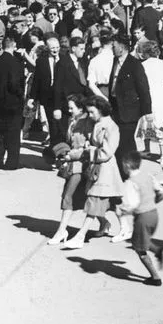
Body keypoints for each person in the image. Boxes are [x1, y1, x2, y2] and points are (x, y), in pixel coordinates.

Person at [64, 97, 125, 249]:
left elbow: (107, 152)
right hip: (96, 168)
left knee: (94, 202)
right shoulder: (97, 123)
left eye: (92, 112)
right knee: (112, 202)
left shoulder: (111, 127)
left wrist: (88, 150)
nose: (90, 115)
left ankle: (80, 236)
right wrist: (87, 145)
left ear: (101, 110)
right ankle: (124, 228)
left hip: (105, 170)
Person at [46, 93, 93, 246]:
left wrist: (71, 155)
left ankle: (62, 231)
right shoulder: (72, 121)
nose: (69, 110)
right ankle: (62, 230)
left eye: (72, 108)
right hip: (74, 164)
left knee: (72, 196)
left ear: (81, 109)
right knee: (73, 197)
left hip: (82, 165)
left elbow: (89, 147)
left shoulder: (87, 123)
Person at [117, 151, 163, 287]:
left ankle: (155, 277)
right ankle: (158, 251)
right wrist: (152, 202)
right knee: (140, 240)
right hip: (154, 214)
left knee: (139, 248)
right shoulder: (148, 175)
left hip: (142, 218)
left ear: (127, 165)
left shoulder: (130, 182)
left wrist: (123, 211)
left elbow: (132, 204)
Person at [108, 34, 152, 162]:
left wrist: (147, 111)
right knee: (120, 140)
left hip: (129, 110)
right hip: (116, 107)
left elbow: (144, 89)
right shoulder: (115, 61)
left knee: (126, 141)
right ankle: (123, 166)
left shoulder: (135, 65)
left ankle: (131, 166)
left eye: (114, 46)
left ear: (121, 48)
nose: (112, 48)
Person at [0, 35, 25, 171]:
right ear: (13, 45)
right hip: (13, 102)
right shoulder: (16, 62)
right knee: (14, 134)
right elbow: (14, 83)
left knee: (1, 133)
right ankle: (12, 162)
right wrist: (21, 94)